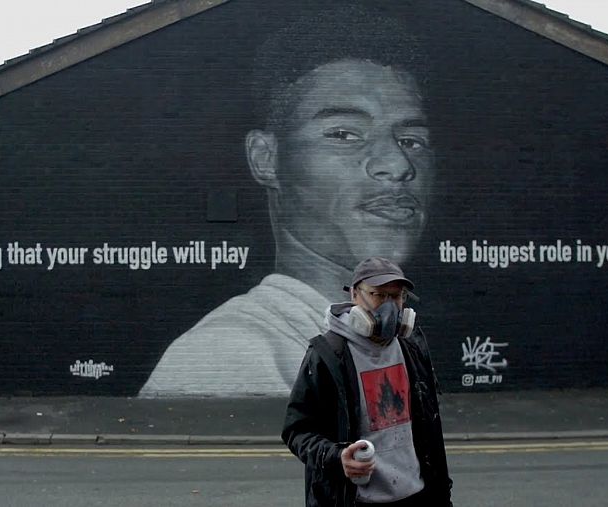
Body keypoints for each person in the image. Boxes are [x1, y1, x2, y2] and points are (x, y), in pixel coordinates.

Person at [139, 5, 436, 397]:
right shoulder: (234, 357)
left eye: (412, 141)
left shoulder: (384, 337)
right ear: (266, 158)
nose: (397, 164)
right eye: (344, 134)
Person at [283, 256, 452, 506]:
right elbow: (297, 430)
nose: (389, 307)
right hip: (356, 499)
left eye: (395, 297)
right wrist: (337, 457)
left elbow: (430, 431)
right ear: (354, 295)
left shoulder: (411, 346)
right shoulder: (328, 355)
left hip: (417, 495)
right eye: (378, 295)